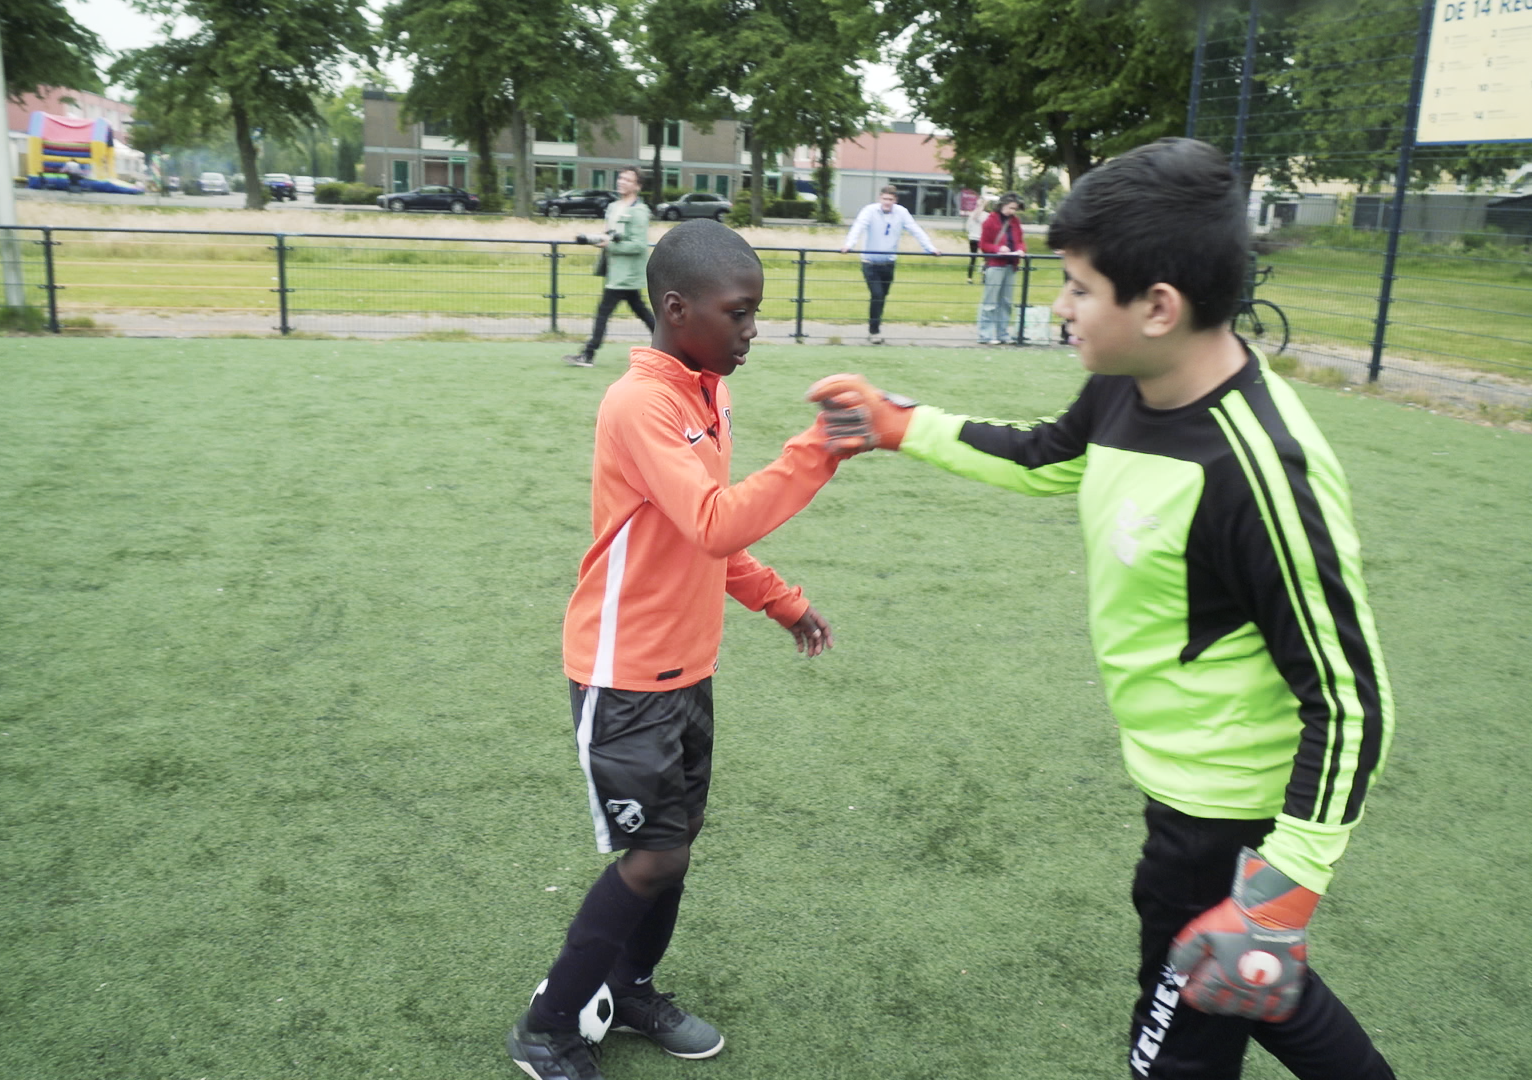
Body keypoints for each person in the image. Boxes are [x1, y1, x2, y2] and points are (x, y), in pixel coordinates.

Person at [807, 138, 1396, 1080]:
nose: (1059, 304)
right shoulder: (1128, 385)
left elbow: (1351, 698)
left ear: (1158, 307)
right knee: (1245, 984)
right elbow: (1051, 457)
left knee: (1174, 1041)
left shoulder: (1260, 469)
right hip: (1175, 786)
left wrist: (1282, 889)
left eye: (1079, 286)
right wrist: (899, 425)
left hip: (1232, 815)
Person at [508, 218, 845, 1080]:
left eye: (755, 313)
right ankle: (547, 1026)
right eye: (738, 313)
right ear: (675, 308)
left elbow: (709, 540)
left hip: (688, 671)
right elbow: (712, 519)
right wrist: (820, 449)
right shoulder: (641, 402)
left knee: (676, 845)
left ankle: (631, 989)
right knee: (654, 856)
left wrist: (781, 602)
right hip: (624, 677)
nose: (751, 330)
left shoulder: (707, 391)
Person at [563, 166, 654, 368]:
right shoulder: (613, 207)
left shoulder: (639, 212)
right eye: (620, 178)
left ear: (637, 186)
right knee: (641, 310)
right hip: (614, 271)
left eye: (628, 180)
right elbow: (611, 235)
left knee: (603, 312)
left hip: (625, 274)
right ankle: (673, 347)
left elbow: (639, 245)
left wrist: (610, 245)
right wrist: (594, 239)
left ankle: (588, 353)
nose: (622, 182)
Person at [839, 184, 937, 345]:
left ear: (895, 200)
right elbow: (859, 227)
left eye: (890, 199)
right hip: (870, 263)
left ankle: (875, 325)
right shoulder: (869, 211)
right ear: (880, 198)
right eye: (885, 199)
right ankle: (874, 331)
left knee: (882, 296)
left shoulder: (901, 212)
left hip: (888, 263)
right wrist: (849, 245)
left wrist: (930, 248)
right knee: (877, 295)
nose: (887, 202)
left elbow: (915, 230)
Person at [976, 193, 1026, 345]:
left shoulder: (1015, 221)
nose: (1013, 211)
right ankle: (985, 335)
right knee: (990, 302)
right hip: (996, 264)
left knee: (1006, 302)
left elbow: (1019, 241)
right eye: (1011, 208)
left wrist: (1020, 250)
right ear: (1003, 205)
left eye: (1015, 208)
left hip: (1011, 264)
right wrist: (998, 248)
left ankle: (1002, 333)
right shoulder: (990, 221)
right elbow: (983, 244)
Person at [962, 190, 990, 283]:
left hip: (982, 238)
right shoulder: (974, 213)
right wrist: (982, 204)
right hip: (974, 238)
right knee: (973, 258)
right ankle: (969, 278)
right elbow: (975, 218)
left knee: (986, 258)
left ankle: (984, 276)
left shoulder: (986, 215)